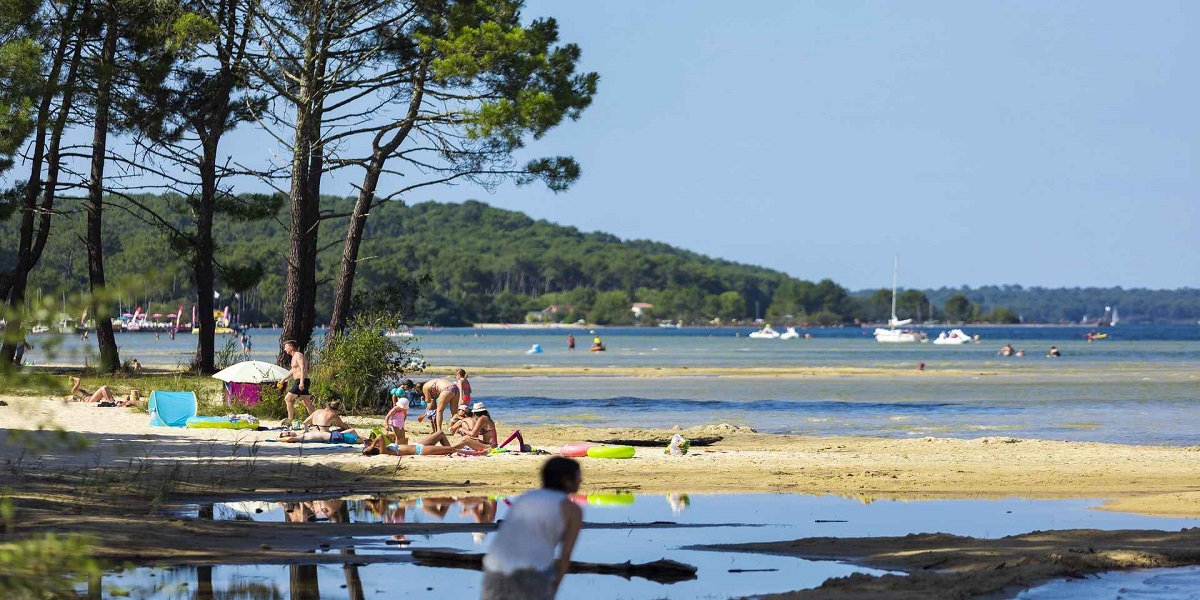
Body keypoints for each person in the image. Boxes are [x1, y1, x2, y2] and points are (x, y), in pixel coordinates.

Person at [481, 457, 583, 600]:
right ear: (566, 480)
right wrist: (553, 590)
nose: (581, 481)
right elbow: (565, 555)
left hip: (495, 568)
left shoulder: (526, 497)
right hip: (531, 573)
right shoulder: (572, 510)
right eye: (579, 476)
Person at [280, 340, 314, 429]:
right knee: (307, 402)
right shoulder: (293, 357)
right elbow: (293, 370)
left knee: (288, 399)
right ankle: (315, 421)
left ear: (291, 347)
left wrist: (301, 382)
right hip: (301, 380)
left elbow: (303, 368)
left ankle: (289, 420)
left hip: (301, 380)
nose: (284, 349)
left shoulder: (298, 355)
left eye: (286, 347)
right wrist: (284, 379)